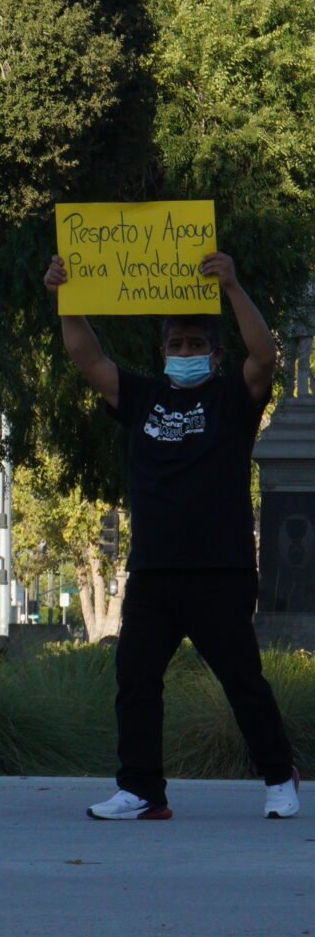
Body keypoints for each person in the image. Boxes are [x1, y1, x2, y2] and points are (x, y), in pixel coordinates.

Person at [47, 252, 300, 822]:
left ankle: (278, 774)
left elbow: (265, 356)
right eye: (176, 345)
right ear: (162, 352)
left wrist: (232, 284)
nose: (185, 354)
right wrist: (68, 298)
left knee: (242, 681)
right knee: (135, 680)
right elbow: (88, 357)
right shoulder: (141, 397)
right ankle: (142, 792)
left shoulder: (233, 399)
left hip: (220, 569)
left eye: (195, 345)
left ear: (214, 353)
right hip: (154, 571)